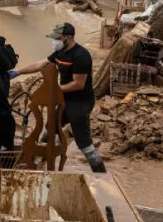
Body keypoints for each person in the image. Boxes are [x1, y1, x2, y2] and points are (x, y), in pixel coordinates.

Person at [11, 23, 106, 173]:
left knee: (84, 143)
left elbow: (78, 84)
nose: (54, 41)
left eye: (58, 38)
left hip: (80, 102)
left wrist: (53, 91)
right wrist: (18, 72)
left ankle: (100, 172)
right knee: (50, 127)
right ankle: (39, 157)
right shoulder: (60, 53)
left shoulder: (81, 55)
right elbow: (41, 64)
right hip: (64, 99)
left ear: (68, 38)